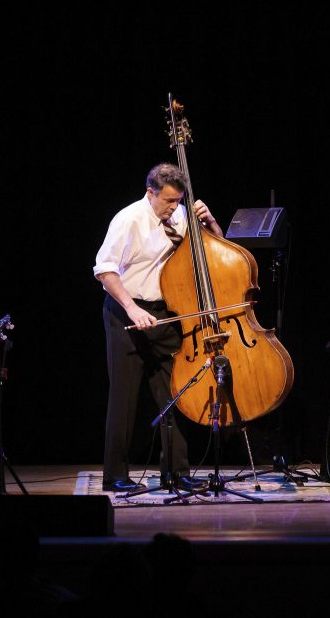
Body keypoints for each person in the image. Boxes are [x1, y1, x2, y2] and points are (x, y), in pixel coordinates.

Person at [94, 162, 223, 491]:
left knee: (174, 395)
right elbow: (104, 270)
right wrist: (131, 308)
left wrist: (210, 222)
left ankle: (177, 471)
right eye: (168, 201)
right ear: (150, 193)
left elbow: (216, 251)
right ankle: (115, 476)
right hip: (126, 312)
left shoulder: (180, 214)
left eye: (178, 201)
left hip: (165, 314)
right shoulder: (128, 220)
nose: (174, 208)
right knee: (124, 399)